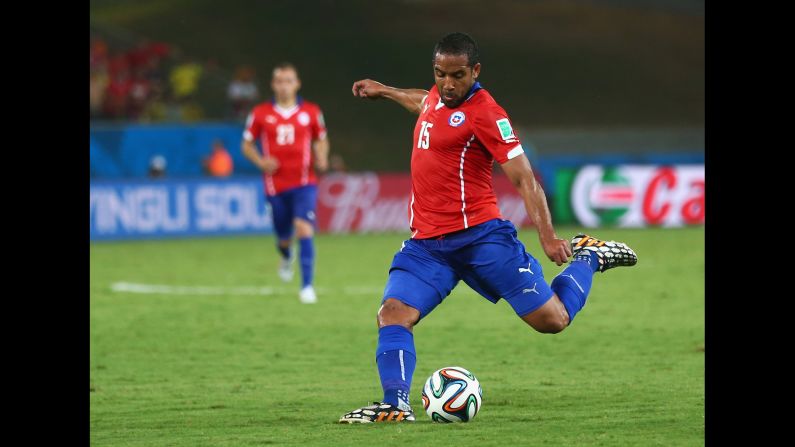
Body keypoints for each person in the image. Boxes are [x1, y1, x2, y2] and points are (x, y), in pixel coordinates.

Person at [339, 32, 637, 423]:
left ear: (474, 71)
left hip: (482, 239)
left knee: (553, 320)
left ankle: (590, 258)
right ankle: (396, 404)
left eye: (457, 75)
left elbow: (525, 179)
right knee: (392, 313)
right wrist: (387, 91)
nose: (448, 83)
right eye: (440, 73)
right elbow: (423, 101)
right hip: (428, 245)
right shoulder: (437, 95)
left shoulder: (487, 113)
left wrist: (547, 236)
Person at [241, 62, 330, 304]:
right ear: (273, 85)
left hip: (304, 182)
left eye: (288, 80)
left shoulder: (311, 111)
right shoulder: (260, 113)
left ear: (297, 84)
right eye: (279, 81)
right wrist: (260, 161)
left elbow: (321, 139)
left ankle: (307, 286)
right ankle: (286, 253)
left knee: (304, 228)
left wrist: (321, 155)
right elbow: (246, 144)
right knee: (283, 236)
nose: (284, 85)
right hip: (275, 185)